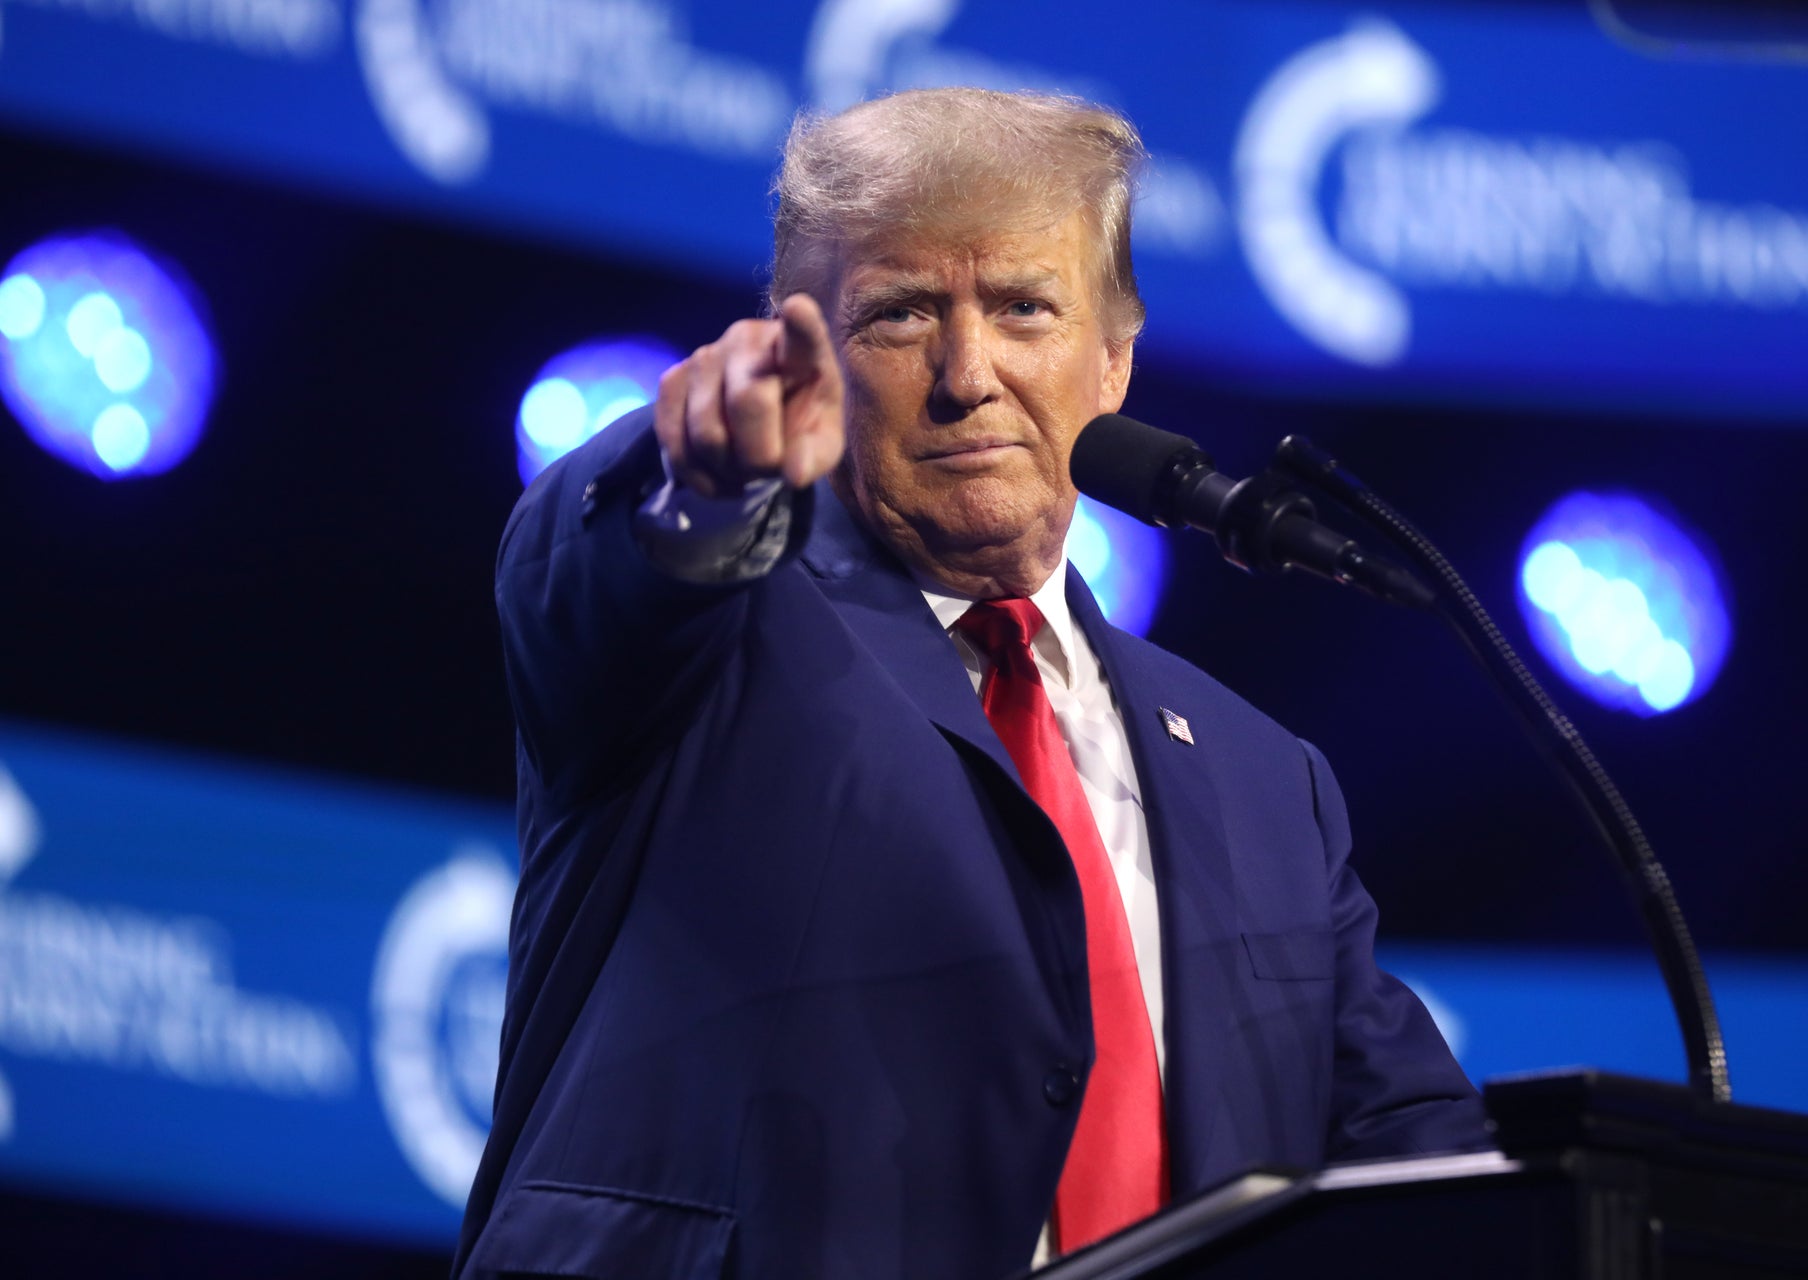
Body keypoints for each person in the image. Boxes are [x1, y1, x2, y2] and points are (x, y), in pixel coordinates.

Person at [454, 87, 1486, 1280]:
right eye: (899, 314)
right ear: (804, 360)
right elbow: (609, 567)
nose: (967, 373)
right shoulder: (711, 635)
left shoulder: (1269, 783)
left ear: (1113, 361)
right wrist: (705, 482)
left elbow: (1428, 1163)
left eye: (1023, 308)